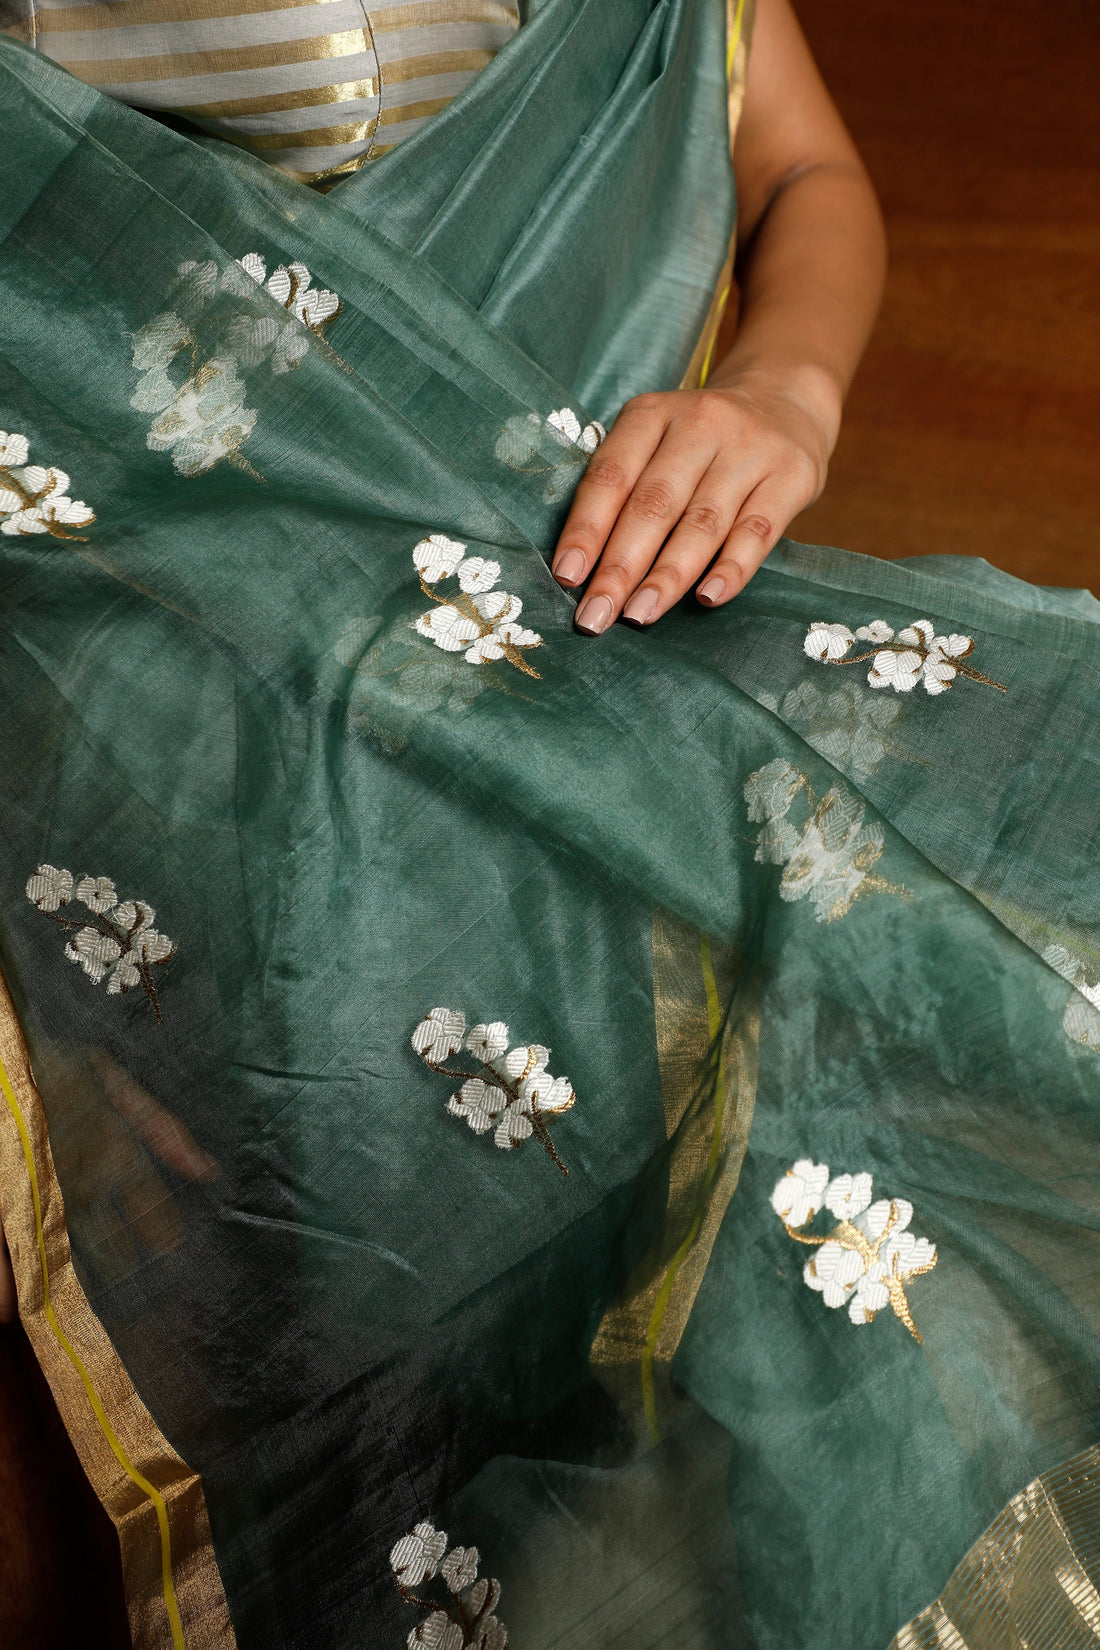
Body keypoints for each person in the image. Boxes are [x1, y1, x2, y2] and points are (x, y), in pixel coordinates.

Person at [0, 2, 1098, 1648]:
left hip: (607, 593)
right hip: (202, 688)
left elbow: (794, 152)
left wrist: (782, 393)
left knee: (1019, 929)